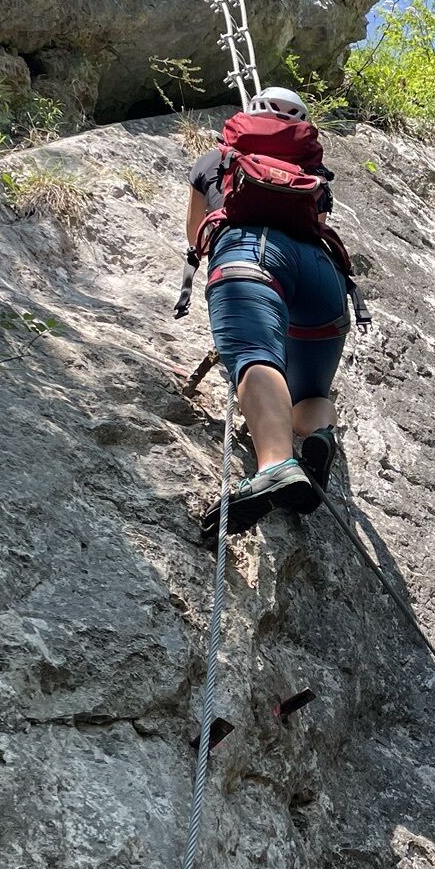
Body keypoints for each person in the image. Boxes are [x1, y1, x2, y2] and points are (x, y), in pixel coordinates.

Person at [179, 86, 351, 534]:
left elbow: (196, 235)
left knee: (256, 355)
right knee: (309, 395)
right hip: (323, 280)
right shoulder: (313, 173)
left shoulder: (216, 159)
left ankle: (275, 465)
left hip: (248, 253)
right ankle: (317, 437)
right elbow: (317, 225)